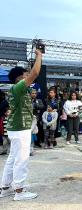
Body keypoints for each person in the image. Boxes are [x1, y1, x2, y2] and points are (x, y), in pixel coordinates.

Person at [0, 49, 42, 201]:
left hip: (16, 128)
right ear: (19, 78)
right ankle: (19, 191)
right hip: (20, 129)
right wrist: (39, 55)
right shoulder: (18, 88)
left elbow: (32, 74)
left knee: (13, 158)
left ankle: (5, 188)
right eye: (25, 75)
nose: (28, 77)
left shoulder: (19, 89)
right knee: (21, 159)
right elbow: (35, 73)